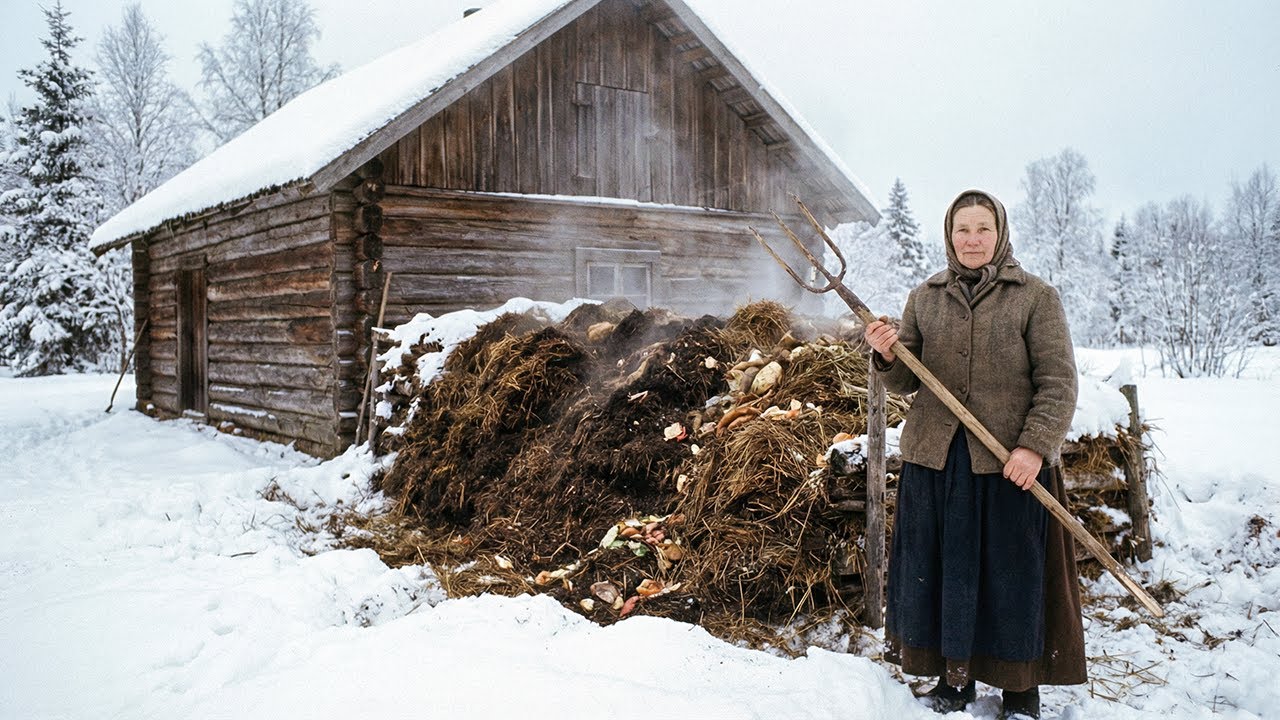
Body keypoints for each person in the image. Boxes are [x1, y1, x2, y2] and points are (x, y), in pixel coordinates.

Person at [863, 189, 1086, 719]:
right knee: (945, 572)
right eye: (963, 229)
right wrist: (886, 353)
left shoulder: (1035, 297)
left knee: (1012, 574)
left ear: (1000, 232)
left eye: (982, 228)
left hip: (1007, 464)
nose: (972, 240)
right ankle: (953, 680)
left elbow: (1058, 382)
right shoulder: (926, 296)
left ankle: (1019, 690)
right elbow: (903, 381)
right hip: (938, 461)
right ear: (949, 234)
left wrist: (1034, 447)